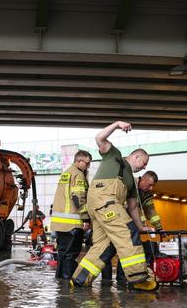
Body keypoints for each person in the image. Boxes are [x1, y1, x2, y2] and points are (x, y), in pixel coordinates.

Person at [70, 121, 157, 291]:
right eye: (144, 162)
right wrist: (117, 125)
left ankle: (80, 279)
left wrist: (142, 227)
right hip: (105, 202)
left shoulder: (131, 181)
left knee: (104, 245)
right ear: (136, 157)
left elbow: (132, 207)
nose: (145, 167)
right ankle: (138, 278)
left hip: (100, 206)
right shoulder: (114, 155)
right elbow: (99, 137)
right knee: (127, 233)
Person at [101, 170, 163, 282]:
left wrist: (159, 227)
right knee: (108, 252)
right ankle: (106, 281)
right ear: (143, 179)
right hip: (117, 223)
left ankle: (121, 280)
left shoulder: (146, 193)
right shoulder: (129, 184)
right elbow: (125, 206)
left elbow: (150, 210)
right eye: (150, 185)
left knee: (126, 253)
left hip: (130, 227)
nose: (151, 188)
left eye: (152, 186)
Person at [51, 150, 92, 279]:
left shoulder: (66, 173)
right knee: (71, 255)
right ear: (79, 161)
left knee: (62, 254)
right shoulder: (78, 174)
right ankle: (68, 286)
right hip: (73, 224)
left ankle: (60, 283)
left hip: (60, 224)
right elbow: (78, 197)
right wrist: (86, 218)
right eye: (87, 163)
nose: (88, 166)